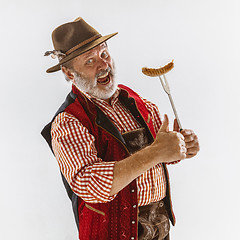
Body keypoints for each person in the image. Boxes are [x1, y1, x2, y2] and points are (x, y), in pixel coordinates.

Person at [41, 17, 200, 240]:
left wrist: (180, 146)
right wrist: (156, 152)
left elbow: (161, 151)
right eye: (89, 61)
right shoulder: (68, 121)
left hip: (159, 228)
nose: (103, 65)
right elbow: (91, 184)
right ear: (69, 73)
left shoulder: (135, 101)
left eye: (104, 54)